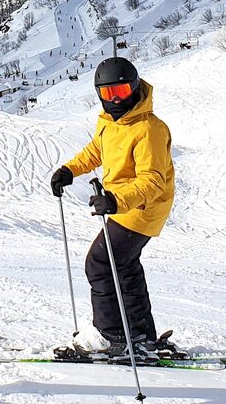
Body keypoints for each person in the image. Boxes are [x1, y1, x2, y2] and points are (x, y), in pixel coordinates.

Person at [50, 56, 175, 359]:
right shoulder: (110, 123)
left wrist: (117, 201)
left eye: (120, 92)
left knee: (100, 263)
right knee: (124, 267)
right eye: (107, 94)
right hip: (125, 206)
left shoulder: (149, 129)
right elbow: (97, 151)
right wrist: (69, 170)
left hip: (142, 207)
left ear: (134, 89)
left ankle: (112, 336)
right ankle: (140, 335)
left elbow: (153, 180)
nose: (115, 99)